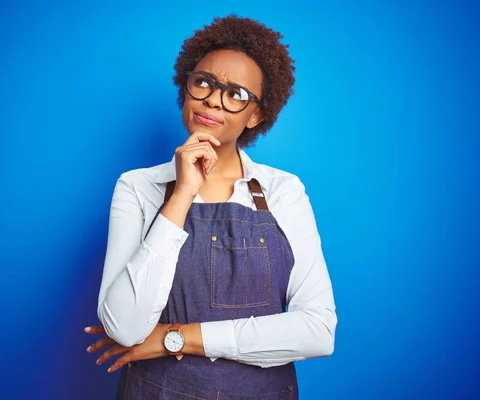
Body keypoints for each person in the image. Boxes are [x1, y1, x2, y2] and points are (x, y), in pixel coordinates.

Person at [85, 15, 337, 400]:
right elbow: (123, 327)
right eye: (203, 82)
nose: (214, 99)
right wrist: (182, 194)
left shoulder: (283, 191)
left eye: (236, 93)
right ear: (186, 88)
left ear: (256, 114)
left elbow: (317, 330)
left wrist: (176, 338)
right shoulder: (138, 187)